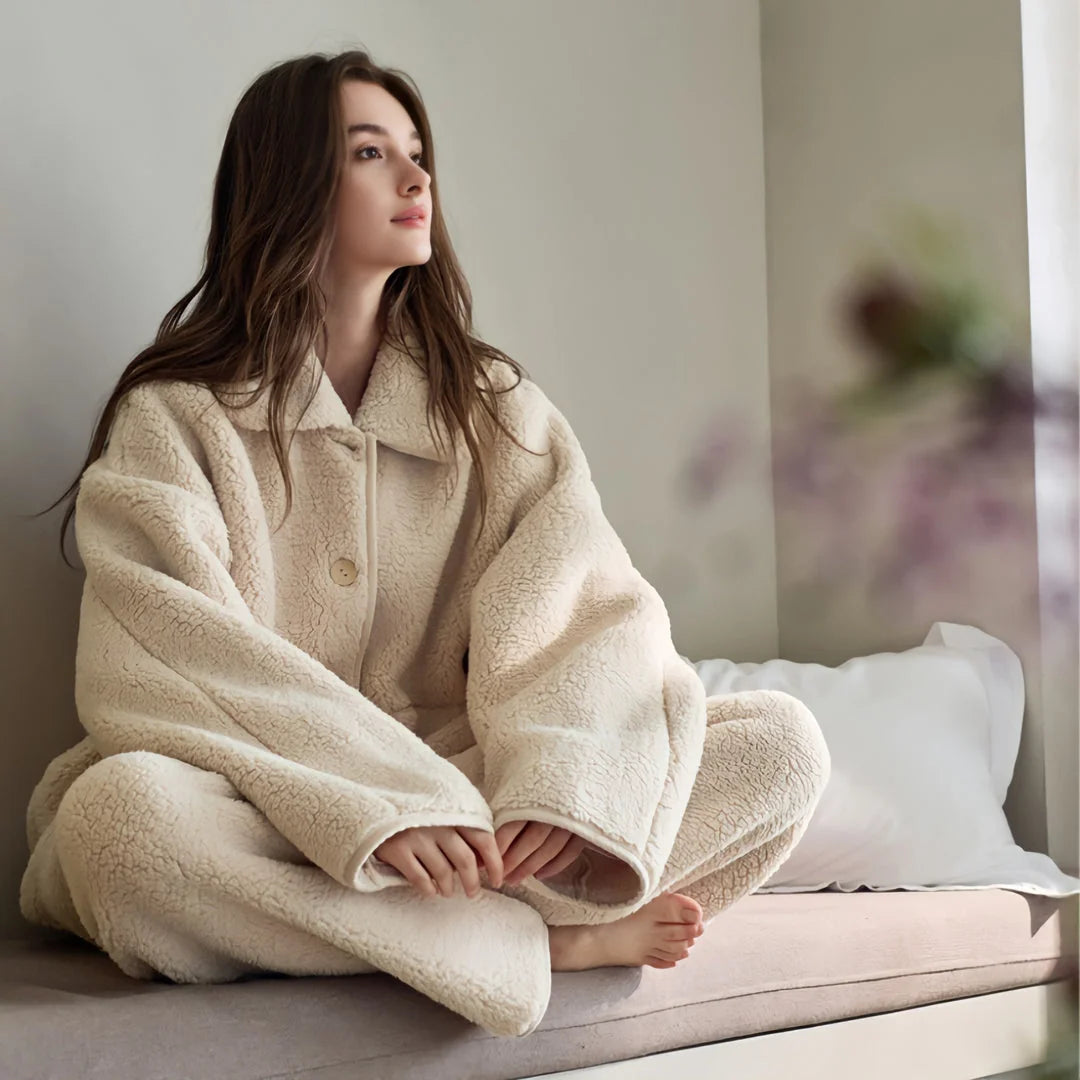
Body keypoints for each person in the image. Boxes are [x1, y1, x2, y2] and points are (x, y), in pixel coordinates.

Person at [19, 49, 831, 1038]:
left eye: (417, 153)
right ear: (290, 183)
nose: (416, 180)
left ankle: (430, 930)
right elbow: (161, 657)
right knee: (121, 827)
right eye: (372, 152)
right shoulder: (178, 421)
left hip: (472, 814)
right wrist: (382, 801)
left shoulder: (495, 414)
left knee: (781, 749)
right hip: (251, 798)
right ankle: (540, 944)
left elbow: (585, 616)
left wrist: (556, 788)